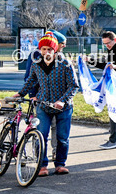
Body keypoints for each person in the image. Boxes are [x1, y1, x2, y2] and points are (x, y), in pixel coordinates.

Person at [14, 33, 78, 176]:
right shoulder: (36, 64)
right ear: (40, 50)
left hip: (63, 107)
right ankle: (42, 165)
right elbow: (31, 81)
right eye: (43, 49)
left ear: (55, 50)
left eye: (49, 49)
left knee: (62, 137)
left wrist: (63, 100)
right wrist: (20, 94)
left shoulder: (65, 64)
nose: (46, 52)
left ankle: (60, 164)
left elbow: (73, 86)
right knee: (41, 135)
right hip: (43, 105)